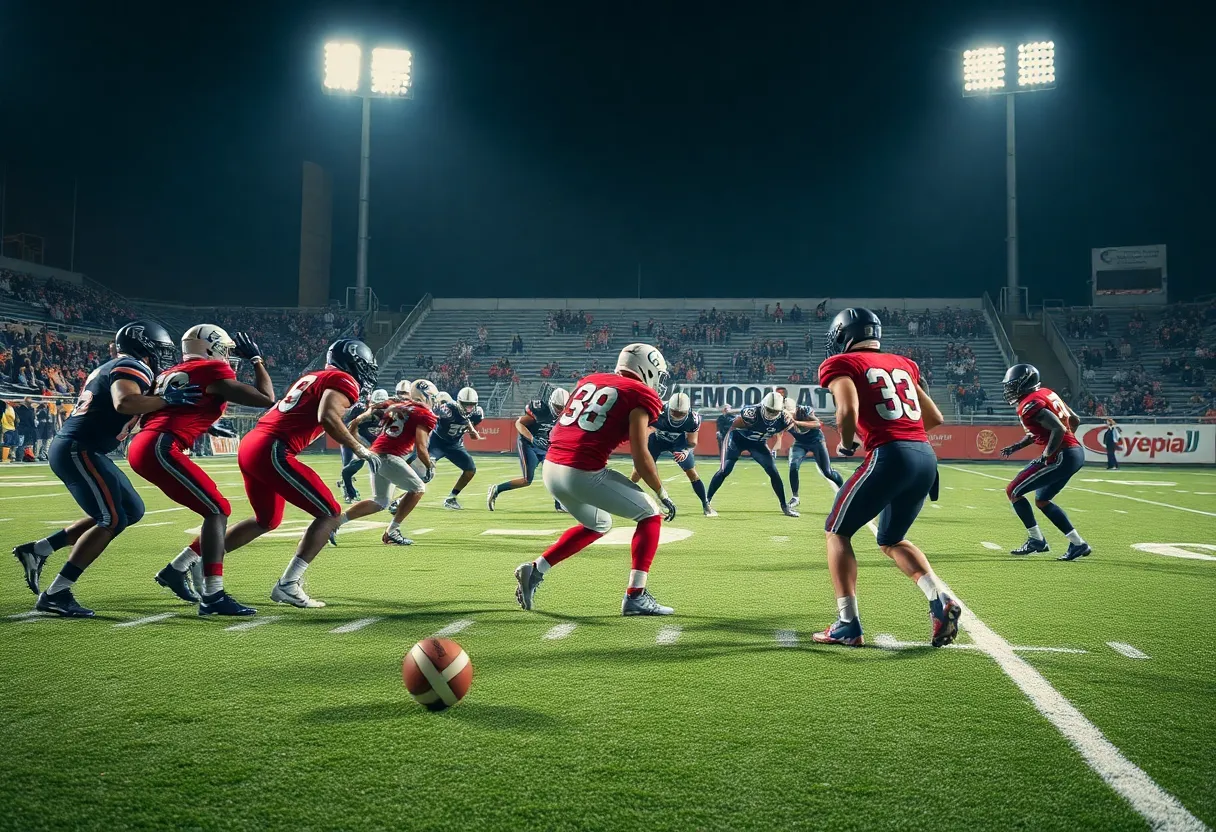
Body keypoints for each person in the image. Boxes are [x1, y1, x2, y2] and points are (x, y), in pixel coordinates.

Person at [176, 338, 380, 608]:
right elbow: (328, 416)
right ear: (354, 361)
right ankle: (288, 584)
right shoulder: (344, 380)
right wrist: (360, 449)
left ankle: (193, 561)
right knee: (330, 513)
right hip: (272, 447)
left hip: (254, 443)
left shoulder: (316, 375)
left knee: (267, 518)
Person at [12, 321, 199, 617]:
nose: (164, 355)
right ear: (145, 346)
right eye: (162, 349)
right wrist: (164, 400)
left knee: (130, 511)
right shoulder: (129, 364)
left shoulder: (125, 365)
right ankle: (57, 593)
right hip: (79, 447)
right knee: (110, 519)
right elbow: (124, 401)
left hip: (88, 449)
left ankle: (40, 549)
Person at [813, 307, 958, 648]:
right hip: (925, 455)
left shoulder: (840, 363)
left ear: (841, 335)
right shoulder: (905, 363)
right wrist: (903, 438)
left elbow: (847, 410)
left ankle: (847, 623)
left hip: (891, 455)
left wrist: (848, 444)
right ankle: (939, 597)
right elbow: (934, 416)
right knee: (891, 540)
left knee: (837, 532)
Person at [513, 343, 677, 616]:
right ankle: (636, 596)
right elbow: (641, 455)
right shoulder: (640, 394)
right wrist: (662, 493)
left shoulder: (590, 380)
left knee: (598, 523)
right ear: (647, 369)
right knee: (650, 514)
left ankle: (535, 569)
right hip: (582, 472)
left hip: (552, 468)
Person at [127, 324, 275, 616]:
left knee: (216, 508)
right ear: (210, 346)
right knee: (217, 509)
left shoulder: (171, 372)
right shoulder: (210, 371)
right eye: (224, 348)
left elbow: (170, 409)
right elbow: (266, 398)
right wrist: (257, 360)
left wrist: (205, 425)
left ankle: (180, 572)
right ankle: (213, 595)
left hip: (146, 444)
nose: (227, 355)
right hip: (161, 445)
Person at [999, 363, 1091, 562]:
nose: (1009, 389)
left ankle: (1036, 540)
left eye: (1013, 385)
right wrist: (1016, 447)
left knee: (1013, 491)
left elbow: (1057, 428)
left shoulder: (1029, 404)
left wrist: (1050, 452)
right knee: (1042, 500)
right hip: (1074, 453)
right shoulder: (1047, 393)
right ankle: (1078, 543)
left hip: (1061, 455)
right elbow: (1074, 420)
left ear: (1024, 383)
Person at [334, 383, 438, 545]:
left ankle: (333, 523)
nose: (434, 401)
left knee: (380, 501)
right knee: (418, 488)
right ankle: (392, 531)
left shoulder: (399, 405)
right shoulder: (424, 414)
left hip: (376, 455)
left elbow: (374, 407)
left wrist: (359, 419)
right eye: (432, 397)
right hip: (389, 456)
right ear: (424, 396)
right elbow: (421, 447)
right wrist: (429, 465)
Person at [705, 392, 799, 517]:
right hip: (738, 439)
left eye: (775, 411)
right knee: (724, 470)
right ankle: (706, 502)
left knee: (773, 472)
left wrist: (791, 419)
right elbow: (732, 429)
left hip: (758, 444)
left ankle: (784, 506)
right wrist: (726, 446)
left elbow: (785, 431)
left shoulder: (785, 419)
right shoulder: (752, 413)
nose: (771, 413)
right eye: (769, 410)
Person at [629, 391, 715, 516]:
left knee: (692, 473)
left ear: (688, 411)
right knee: (638, 471)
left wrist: (686, 451)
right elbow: (641, 428)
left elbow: (692, 442)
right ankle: (628, 498)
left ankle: (705, 504)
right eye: (674, 412)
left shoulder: (693, 419)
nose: (677, 416)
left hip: (678, 443)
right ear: (669, 408)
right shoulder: (657, 411)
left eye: (681, 413)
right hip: (656, 440)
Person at [487, 386, 570, 512]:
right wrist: (532, 439)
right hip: (528, 444)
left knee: (555, 473)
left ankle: (559, 505)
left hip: (544, 444)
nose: (560, 410)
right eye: (558, 407)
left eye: (563, 407)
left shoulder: (566, 413)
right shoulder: (541, 409)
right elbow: (518, 423)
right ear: (551, 402)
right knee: (527, 480)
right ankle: (497, 489)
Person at [408, 386, 483, 510]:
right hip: (438, 442)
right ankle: (400, 499)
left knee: (470, 470)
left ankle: (451, 498)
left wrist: (472, 430)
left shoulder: (477, 414)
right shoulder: (448, 409)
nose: (469, 408)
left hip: (454, 445)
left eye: (471, 404)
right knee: (425, 474)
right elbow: (430, 415)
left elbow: (467, 420)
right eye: (465, 404)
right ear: (459, 402)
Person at [786, 400, 844, 508]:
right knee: (793, 466)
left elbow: (818, 424)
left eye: (791, 412)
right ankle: (795, 497)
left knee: (827, 472)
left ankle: (843, 490)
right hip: (800, 443)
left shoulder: (804, 411)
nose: (789, 415)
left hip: (816, 441)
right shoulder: (780, 417)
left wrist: (797, 422)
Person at [337, 388, 390, 502]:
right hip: (351, 440)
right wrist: (363, 445)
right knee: (349, 468)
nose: (379, 409)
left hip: (370, 442)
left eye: (382, 406)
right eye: (376, 405)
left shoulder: (391, 411)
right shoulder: (360, 410)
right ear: (370, 402)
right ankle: (348, 491)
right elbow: (347, 431)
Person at [16, 397, 36, 461]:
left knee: (21, 444)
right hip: (25, 429)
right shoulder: (27, 411)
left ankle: (21, 457)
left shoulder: (19, 410)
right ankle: (21, 457)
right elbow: (31, 420)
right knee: (23, 444)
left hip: (22, 429)